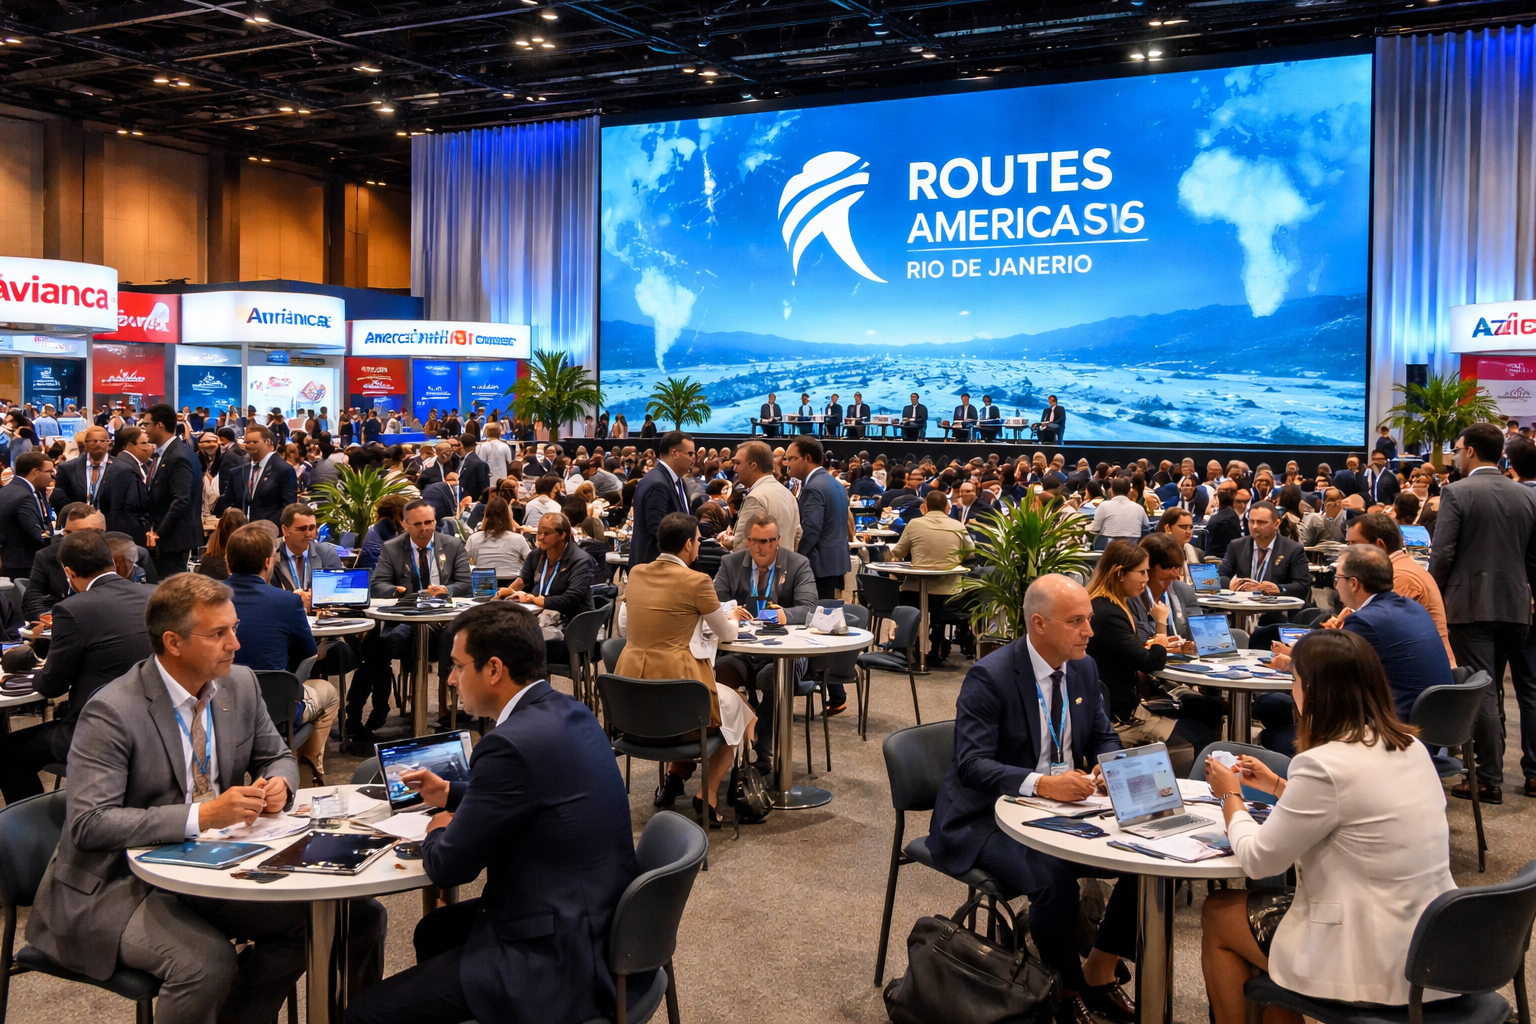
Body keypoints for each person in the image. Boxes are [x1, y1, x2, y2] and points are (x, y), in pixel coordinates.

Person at [25, 573, 386, 1024]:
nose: (235, 643)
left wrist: (279, 783)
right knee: (205, 964)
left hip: (221, 863)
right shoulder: (114, 711)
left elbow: (276, 754)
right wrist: (204, 815)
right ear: (173, 642)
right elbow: (90, 824)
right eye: (219, 633)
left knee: (356, 916)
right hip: (119, 883)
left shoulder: (238, 684)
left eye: (233, 628)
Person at [346, 602, 641, 1024]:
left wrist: (438, 825)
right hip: (599, 923)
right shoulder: (570, 710)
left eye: (457, 666)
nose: (449, 680)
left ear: (494, 669)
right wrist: (449, 792)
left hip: (553, 958)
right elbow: (532, 796)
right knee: (434, 932)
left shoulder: (506, 744)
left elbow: (450, 867)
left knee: (364, 1014)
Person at [1200, 630, 1455, 1023]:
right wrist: (1277, 785)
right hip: (1430, 942)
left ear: (1315, 692)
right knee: (1259, 945)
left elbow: (1257, 861)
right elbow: (1353, 813)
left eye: (1296, 680)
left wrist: (1229, 795)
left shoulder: (1324, 764)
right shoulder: (1409, 746)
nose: (1293, 689)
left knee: (1219, 914)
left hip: (1368, 955)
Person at [927, 575, 1136, 1024]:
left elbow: (1104, 736)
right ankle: (1063, 992)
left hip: (1065, 807)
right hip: (986, 816)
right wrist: (1042, 784)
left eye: (1090, 620)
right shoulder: (991, 676)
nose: (1089, 631)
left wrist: (1108, 766)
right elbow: (971, 765)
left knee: (1145, 866)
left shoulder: (1083, 667)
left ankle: (1098, 970)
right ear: (1038, 624)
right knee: (1052, 880)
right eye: (1076, 621)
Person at [617, 513, 756, 824]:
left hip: (631, 701)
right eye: (697, 540)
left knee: (725, 707)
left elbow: (625, 624)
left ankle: (676, 775)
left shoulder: (637, 573)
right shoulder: (697, 581)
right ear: (688, 545)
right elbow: (727, 634)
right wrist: (733, 616)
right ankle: (707, 795)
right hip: (680, 695)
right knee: (738, 711)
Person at [0, 529, 153, 804]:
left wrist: (29, 672)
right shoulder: (154, 596)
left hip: (98, 733)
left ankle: (34, 833)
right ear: (112, 561)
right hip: (155, 726)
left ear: (69, 572)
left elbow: (52, 685)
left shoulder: (73, 609)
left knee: (6, 754)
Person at [1428, 421, 1536, 803]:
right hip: (1517, 604)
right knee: (1528, 692)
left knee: (1484, 690)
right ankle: (1534, 774)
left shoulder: (1456, 492)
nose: (1455, 456)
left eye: (1457, 449)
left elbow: (1442, 554)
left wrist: (1433, 595)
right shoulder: (1526, 495)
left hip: (1469, 605)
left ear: (1471, 451)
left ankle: (1489, 779)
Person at [349, 499, 473, 745]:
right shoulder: (392, 548)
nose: (424, 528)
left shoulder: (453, 544)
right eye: (417, 524)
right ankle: (361, 713)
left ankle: (453, 712)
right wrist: (398, 591)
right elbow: (377, 585)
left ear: (435, 521)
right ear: (405, 524)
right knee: (374, 645)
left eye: (429, 522)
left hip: (445, 624)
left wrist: (445, 590)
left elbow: (466, 584)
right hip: (407, 620)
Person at [223, 524, 339, 777]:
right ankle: (307, 773)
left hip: (216, 707)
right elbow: (308, 657)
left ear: (227, 561)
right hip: (274, 710)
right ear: (268, 562)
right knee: (328, 692)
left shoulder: (206, 599)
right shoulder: (287, 601)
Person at [1086, 540, 1209, 772]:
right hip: (1122, 719)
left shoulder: (1104, 605)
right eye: (1141, 572)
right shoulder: (1109, 612)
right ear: (1119, 573)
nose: (1145, 578)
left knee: (1202, 709)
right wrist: (1161, 624)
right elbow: (1152, 662)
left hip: (1121, 707)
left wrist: (1152, 645)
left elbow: (1126, 652)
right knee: (1203, 735)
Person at [714, 516, 821, 768]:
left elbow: (810, 608)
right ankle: (720, 751)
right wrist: (731, 612)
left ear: (778, 541)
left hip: (787, 653)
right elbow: (714, 604)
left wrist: (782, 614)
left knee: (774, 677)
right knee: (717, 676)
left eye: (770, 541)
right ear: (747, 541)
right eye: (758, 541)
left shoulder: (797, 564)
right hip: (742, 650)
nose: (764, 547)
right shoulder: (729, 564)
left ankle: (763, 748)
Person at [1346, 512, 1454, 663]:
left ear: (1379, 545)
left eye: (1353, 545)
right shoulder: (1403, 567)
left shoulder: (1401, 576)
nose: (1347, 553)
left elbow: (1372, 631)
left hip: (1419, 673)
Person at [498, 512, 594, 671]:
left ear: (562, 535)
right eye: (539, 532)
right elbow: (523, 579)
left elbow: (572, 599)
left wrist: (532, 599)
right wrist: (508, 591)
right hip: (540, 623)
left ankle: (528, 691)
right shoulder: (537, 554)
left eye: (546, 533)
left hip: (569, 633)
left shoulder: (581, 561)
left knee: (514, 644)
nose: (540, 537)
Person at [891, 490, 975, 663]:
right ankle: (937, 643)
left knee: (904, 597)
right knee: (939, 609)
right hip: (949, 593)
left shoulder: (914, 524)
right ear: (947, 507)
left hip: (913, 591)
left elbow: (898, 552)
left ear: (925, 507)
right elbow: (971, 554)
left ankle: (907, 648)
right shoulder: (958, 526)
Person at [143, 403, 205, 577]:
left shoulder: (178, 456)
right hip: (168, 540)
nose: (144, 429)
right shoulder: (167, 453)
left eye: (147, 424)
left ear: (160, 425)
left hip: (173, 541)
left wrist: (158, 534)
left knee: (171, 595)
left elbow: (181, 500)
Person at [786, 436, 850, 600]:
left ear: (807, 458)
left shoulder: (813, 488)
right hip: (835, 563)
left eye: (792, 458)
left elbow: (811, 530)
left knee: (814, 619)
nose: (787, 464)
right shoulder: (835, 483)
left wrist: (796, 559)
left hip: (817, 566)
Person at [23, 503, 104, 620]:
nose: (71, 539)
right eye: (68, 533)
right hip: (60, 621)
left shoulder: (113, 555)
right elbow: (31, 601)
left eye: (82, 533)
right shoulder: (47, 556)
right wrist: (50, 619)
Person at [1217, 501, 1310, 601]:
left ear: (1276, 523)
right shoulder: (1237, 546)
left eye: (1261, 522)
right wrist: (1230, 585)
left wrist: (1279, 588)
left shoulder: (1293, 549)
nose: (1255, 526)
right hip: (1243, 607)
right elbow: (1219, 576)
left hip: (1277, 610)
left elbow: (1302, 586)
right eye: (1251, 521)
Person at [628, 431, 696, 567]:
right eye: (690, 454)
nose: (693, 458)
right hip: (656, 570)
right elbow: (658, 530)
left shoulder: (675, 481)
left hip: (669, 567)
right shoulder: (657, 484)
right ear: (674, 453)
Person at [213, 424, 297, 527]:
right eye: (247, 442)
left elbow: (288, 508)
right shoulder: (237, 472)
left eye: (254, 442)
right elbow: (228, 501)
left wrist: (266, 527)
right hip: (241, 532)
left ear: (268, 442)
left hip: (269, 533)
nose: (249, 445)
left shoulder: (283, 470)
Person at [728, 440, 800, 551]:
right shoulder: (788, 494)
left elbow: (742, 545)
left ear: (753, 465)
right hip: (785, 565)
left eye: (738, 463)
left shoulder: (756, 497)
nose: (734, 468)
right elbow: (797, 535)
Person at [270, 502, 345, 599]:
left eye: (312, 528)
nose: (308, 533)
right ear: (285, 530)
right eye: (302, 529)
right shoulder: (271, 555)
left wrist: (317, 598)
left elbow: (339, 591)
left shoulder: (327, 554)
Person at [0, 450, 54, 578]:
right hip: (22, 565)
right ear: (35, 472)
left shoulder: (7, 490)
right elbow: (35, 534)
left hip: (10, 560)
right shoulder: (25, 496)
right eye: (49, 472)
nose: (52, 476)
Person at [98, 425, 155, 544]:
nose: (149, 447)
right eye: (144, 443)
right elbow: (120, 510)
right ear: (130, 445)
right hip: (128, 538)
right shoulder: (124, 470)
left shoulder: (133, 465)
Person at [466, 496, 531, 577]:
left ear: (485, 515)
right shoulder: (519, 539)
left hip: (484, 585)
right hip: (514, 586)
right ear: (508, 516)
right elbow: (531, 563)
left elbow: (465, 564)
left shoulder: (473, 538)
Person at [50, 425, 112, 510]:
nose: (98, 443)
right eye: (94, 441)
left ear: (109, 443)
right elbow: (58, 498)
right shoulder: (67, 468)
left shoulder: (120, 468)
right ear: (86, 443)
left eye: (102, 441)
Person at [1088, 476, 1150, 540]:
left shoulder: (1103, 506)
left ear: (1111, 491)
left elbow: (1095, 528)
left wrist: (1085, 527)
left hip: (1106, 548)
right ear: (1129, 492)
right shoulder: (1139, 508)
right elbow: (1147, 526)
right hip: (1133, 547)